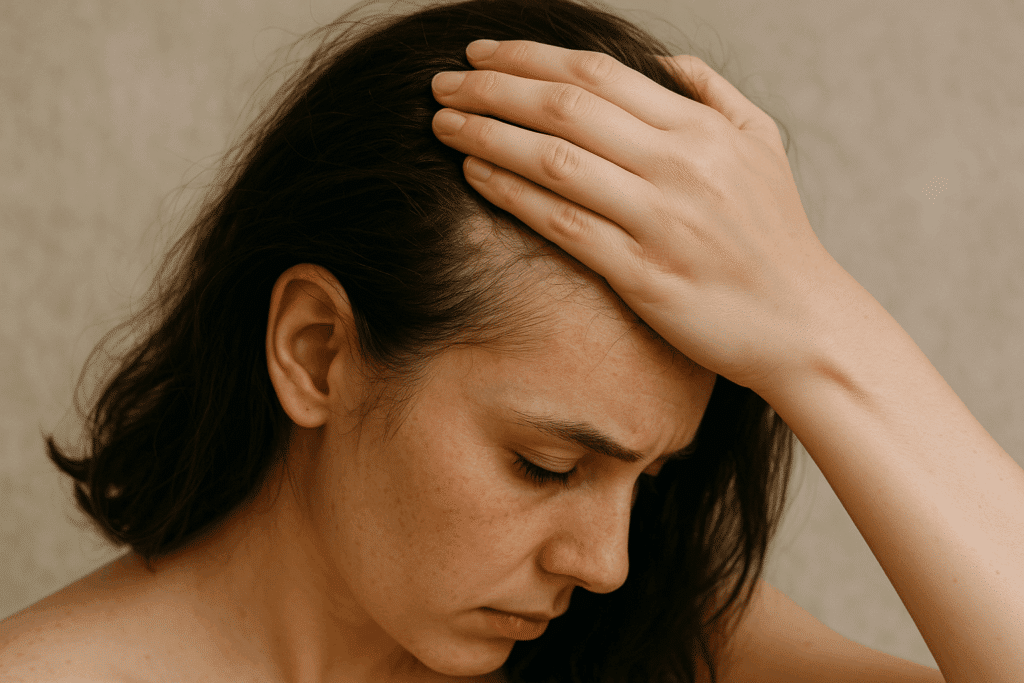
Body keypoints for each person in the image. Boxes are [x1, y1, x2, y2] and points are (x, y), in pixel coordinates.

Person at [2, 0, 1019, 681]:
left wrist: (815, 319)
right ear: (316, 351)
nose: (607, 561)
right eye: (548, 463)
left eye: (650, 478)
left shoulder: (670, 647)